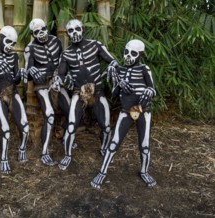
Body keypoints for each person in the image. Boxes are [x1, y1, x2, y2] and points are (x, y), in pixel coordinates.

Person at [52, 19, 118, 170]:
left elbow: (112, 61)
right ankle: (67, 155)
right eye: (71, 31)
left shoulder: (95, 45)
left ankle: (104, 148)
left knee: (106, 126)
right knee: (71, 126)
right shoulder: (66, 54)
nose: (75, 33)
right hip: (78, 92)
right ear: (67, 34)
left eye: (77, 29)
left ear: (82, 30)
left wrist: (113, 68)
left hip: (97, 91)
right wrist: (58, 81)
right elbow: (61, 75)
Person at [90, 39, 157, 189]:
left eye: (133, 53)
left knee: (144, 145)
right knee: (114, 142)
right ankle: (102, 172)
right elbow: (114, 95)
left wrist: (148, 91)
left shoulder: (144, 69)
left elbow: (153, 89)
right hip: (126, 111)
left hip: (143, 110)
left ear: (140, 55)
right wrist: (118, 83)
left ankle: (144, 171)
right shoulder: (119, 71)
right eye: (126, 52)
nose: (128, 56)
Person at [24, 18, 71, 166]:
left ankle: (65, 138)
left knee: (70, 111)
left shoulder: (56, 41)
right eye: (37, 32)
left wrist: (60, 77)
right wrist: (30, 69)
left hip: (57, 80)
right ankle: (44, 152)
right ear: (32, 34)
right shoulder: (29, 48)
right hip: (42, 85)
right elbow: (27, 76)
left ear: (47, 28)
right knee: (49, 115)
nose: (41, 34)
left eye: (43, 29)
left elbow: (63, 61)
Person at [0, 26, 29, 174]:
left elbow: (15, 81)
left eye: (13, 44)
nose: (10, 46)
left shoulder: (14, 57)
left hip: (12, 92)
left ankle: (22, 148)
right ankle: (4, 158)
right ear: (1, 38)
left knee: (25, 128)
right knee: (6, 130)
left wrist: (21, 74)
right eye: (8, 42)